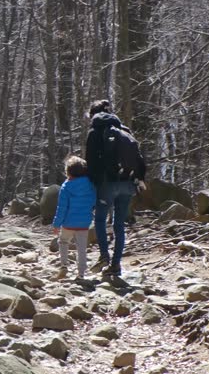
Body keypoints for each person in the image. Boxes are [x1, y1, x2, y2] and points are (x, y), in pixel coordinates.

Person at [85, 99, 146, 277]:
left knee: (100, 220)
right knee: (119, 224)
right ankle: (116, 264)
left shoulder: (95, 131)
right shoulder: (123, 130)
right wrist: (140, 178)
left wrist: (93, 183)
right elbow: (138, 156)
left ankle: (104, 255)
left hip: (107, 183)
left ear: (93, 114)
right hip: (128, 183)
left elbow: (91, 161)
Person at [52, 155, 96, 280]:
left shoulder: (66, 187)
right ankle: (81, 273)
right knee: (82, 248)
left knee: (63, 241)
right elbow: (93, 201)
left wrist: (56, 224)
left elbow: (61, 208)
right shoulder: (90, 185)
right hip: (84, 223)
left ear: (68, 172)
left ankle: (64, 266)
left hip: (68, 223)